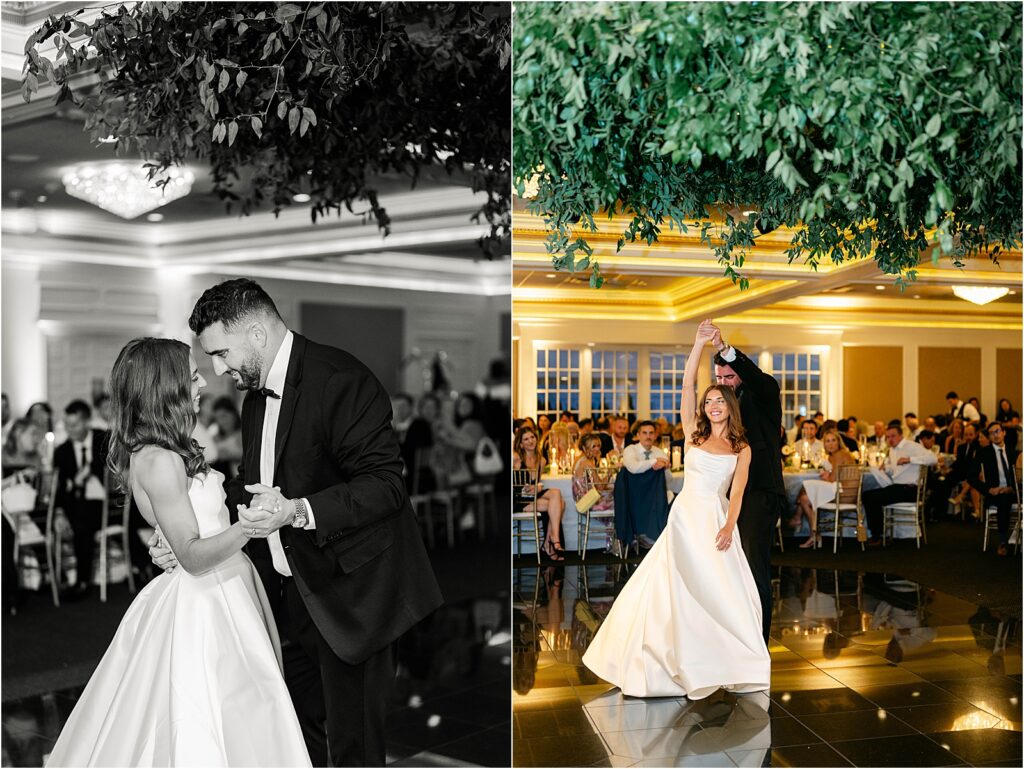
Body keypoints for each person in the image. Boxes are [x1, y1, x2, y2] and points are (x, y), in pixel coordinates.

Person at [149, 279, 442, 766]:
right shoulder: (254, 397)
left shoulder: (340, 379)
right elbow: (253, 485)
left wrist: (299, 510)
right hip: (293, 597)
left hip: (354, 596)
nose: (218, 370)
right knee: (292, 733)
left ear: (258, 335)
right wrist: (185, 528)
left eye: (221, 353)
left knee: (355, 746)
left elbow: (385, 485)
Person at [47, 338, 311, 767]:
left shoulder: (168, 448)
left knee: (244, 708)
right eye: (191, 375)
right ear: (163, 387)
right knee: (212, 713)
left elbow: (180, 528)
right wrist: (249, 527)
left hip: (226, 582)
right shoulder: (159, 459)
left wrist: (171, 538)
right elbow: (191, 554)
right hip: (204, 601)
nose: (203, 380)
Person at [582, 320, 769, 698]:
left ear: (730, 406)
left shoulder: (742, 448)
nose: (713, 406)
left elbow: (737, 492)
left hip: (716, 519)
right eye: (709, 402)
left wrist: (729, 526)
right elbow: (686, 386)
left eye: (719, 401)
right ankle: (667, 659)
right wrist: (698, 344)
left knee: (720, 590)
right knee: (675, 585)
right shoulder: (693, 434)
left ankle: (721, 659)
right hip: (685, 516)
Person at [708, 322, 786, 644]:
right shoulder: (722, 405)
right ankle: (735, 635)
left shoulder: (763, 393)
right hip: (730, 494)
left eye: (729, 377)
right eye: (719, 379)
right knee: (729, 567)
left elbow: (755, 377)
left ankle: (758, 641)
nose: (724, 383)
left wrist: (727, 351)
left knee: (755, 568)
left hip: (760, 494)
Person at [53, 399, 109, 599]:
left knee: (82, 520)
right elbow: (60, 490)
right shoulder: (61, 452)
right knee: (80, 519)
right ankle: (79, 580)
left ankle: (82, 581)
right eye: (67, 425)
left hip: (111, 504)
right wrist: (59, 512)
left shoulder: (105, 440)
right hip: (78, 508)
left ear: (87, 422)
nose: (70, 430)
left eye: (74, 425)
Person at [861, 425, 938, 545]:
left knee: (871, 497)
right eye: (887, 437)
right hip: (899, 488)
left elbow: (933, 459)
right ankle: (880, 533)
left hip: (910, 490)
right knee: (867, 495)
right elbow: (897, 470)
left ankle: (878, 535)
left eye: (893, 436)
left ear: (901, 436)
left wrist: (910, 459)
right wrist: (886, 468)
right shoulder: (892, 450)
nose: (890, 439)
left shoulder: (911, 446)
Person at [790, 430, 855, 548]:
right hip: (841, 491)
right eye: (827, 441)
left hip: (845, 495)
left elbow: (832, 479)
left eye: (833, 440)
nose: (830, 444)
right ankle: (813, 533)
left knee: (806, 487)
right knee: (805, 497)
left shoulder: (840, 455)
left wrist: (827, 476)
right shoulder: (836, 455)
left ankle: (803, 523)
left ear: (839, 442)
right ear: (824, 444)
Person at [512, 424, 566, 560]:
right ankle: (552, 541)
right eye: (526, 439)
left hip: (532, 496)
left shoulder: (541, 460)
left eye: (532, 437)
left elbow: (536, 484)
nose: (530, 441)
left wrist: (538, 487)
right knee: (558, 499)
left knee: (560, 502)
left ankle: (550, 542)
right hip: (519, 499)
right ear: (521, 443)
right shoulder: (516, 458)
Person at [968, 422, 1020, 557]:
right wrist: (988, 489)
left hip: (1015, 491)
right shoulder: (983, 453)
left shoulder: (1013, 452)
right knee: (1004, 499)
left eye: (997, 431)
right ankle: (1003, 541)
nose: (995, 435)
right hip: (995, 493)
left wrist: (1012, 488)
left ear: (1004, 432)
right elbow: (971, 477)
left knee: (1009, 495)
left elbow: (1019, 476)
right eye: (991, 433)